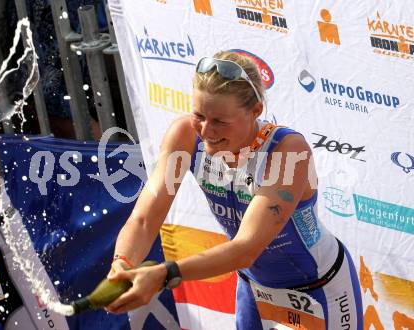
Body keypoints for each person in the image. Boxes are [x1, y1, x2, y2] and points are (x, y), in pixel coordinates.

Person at [105, 51, 363, 329]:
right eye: (199, 115)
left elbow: (245, 249)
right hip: (254, 288)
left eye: (220, 121)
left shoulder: (288, 151)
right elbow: (145, 219)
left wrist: (164, 275)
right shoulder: (184, 134)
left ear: (255, 111)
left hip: (317, 288)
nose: (206, 130)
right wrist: (123, 262)